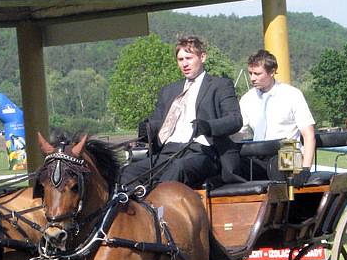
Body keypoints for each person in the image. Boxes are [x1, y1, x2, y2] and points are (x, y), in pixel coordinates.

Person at [120, 35, 242, 188]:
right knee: (127, 172)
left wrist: (208, 126)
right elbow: (157, 123)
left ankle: (157, 207)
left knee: (178, 167)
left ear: (202, 57)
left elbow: (235, 120)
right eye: (180, 59)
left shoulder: (220, 85)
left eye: (189, 58)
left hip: (202, 152)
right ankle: (139, 209)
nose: (184, 64)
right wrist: (146, 130)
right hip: (168, 152)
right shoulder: (168, 91)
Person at [239, 50, 315, 186]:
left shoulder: (292, 95)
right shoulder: (247, 99)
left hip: (289, 154)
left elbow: (308, 135)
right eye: (250, 73)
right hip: (258, 155)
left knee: (278, 163)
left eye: (257, 73)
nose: (252, 78)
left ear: (272, 72)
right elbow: (238, 132)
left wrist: (305, 169)